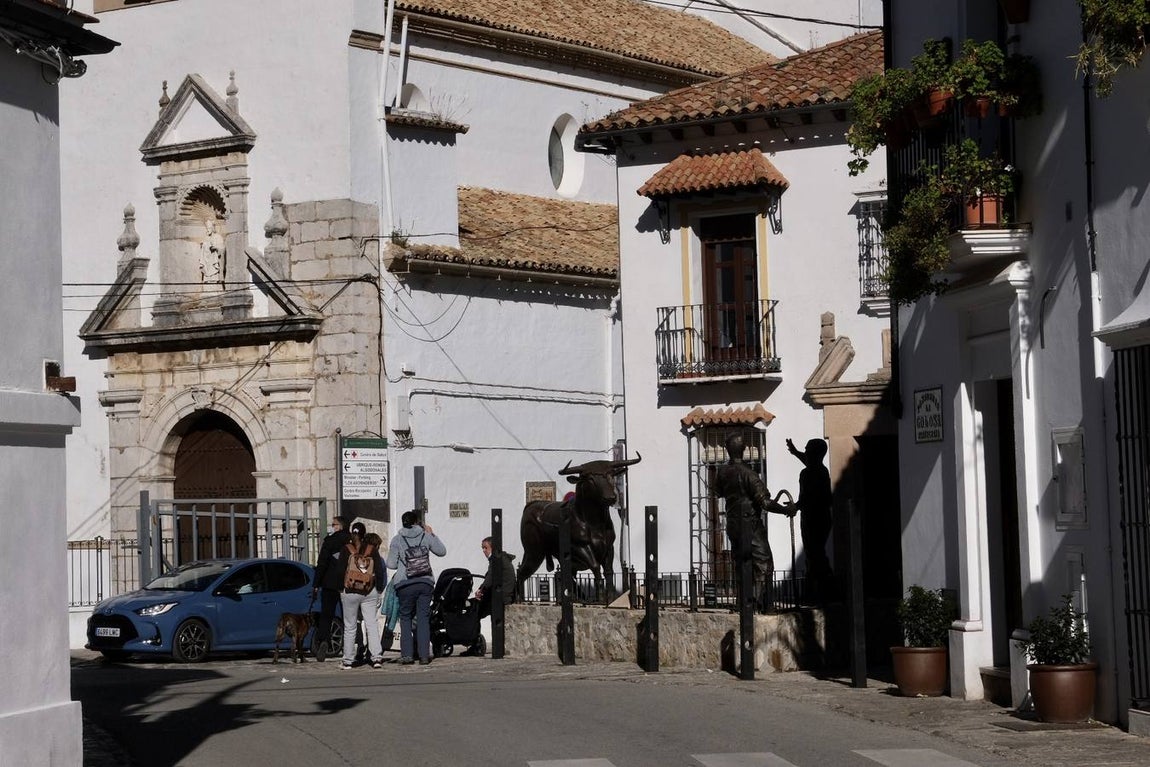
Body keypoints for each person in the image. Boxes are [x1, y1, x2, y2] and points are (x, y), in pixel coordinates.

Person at [713, 433, 794, 607]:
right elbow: (765, 503)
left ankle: (743, 603)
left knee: (742, 564)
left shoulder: (722, 472)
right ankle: (755, 602)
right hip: (750, 525)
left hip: (733, 525)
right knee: (764, 563)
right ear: (744, 450)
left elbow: (718, 492)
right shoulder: (749, 474)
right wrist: (786, 510)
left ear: (728, 451)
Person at [386, 510, 446, 665]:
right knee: (423, 619)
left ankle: (407, 655)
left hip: (405, 584)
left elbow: (391, 564)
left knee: (405, 618)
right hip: (425, 582)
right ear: (416, 522)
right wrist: (432, 534)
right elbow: (442, 551)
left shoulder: (397, 540)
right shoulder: (425, 536)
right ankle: (424, 655)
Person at [786, 437, 834, 603]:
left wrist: (795, 506)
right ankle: (821, 590)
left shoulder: (809, 473)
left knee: (814, 555)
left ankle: (816, 592)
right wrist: (794, 452)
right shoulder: (822, 470)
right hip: (820, 517)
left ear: (815, 453)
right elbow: (808, 460)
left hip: (814, 518)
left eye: (807, 450)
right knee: (815, 554)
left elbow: (809, 497)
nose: (805, 452)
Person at [339, 531, 387, 670]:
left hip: (350, 591)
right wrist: (378, 590)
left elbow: (340, 571)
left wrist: (340, 589)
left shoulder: (346, 549)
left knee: (350, 626)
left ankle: (348, 660)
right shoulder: (372, 549)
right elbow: (379, 570)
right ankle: (376, 658)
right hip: (369, 591)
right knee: (371, 624)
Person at [462, 537, 516, 656]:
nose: (484, 551)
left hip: (500, 597)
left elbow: (491, 577)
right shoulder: (501, 558)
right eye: (482, 548)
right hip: (502, 595)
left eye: (486, 548)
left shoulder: (496, 559)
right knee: (478, 609)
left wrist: (481, 590)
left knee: (476, 611)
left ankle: (475, 645)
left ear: (493, 548)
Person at [311, 515, 352, 661]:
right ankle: (354, 646)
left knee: (326, 615)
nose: (332, 526)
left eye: (334, 524)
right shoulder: (352, 540)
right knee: (351, 617)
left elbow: (322, 563)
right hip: (349, 583)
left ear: (340, 526)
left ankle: (323, 641)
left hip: (330, 583)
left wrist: (316, 584)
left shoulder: (330, 541)